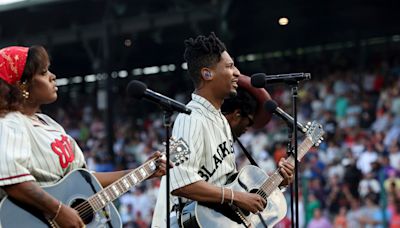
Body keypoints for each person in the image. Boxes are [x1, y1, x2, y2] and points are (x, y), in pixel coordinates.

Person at [0, 45, 167, 228]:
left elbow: (86, 180)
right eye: (43, 72)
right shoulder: (9, 123)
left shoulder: (50, 124)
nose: (52, 76)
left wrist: (142, 172)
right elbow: (12, 178)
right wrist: (59, 211)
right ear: (23, 85)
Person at [166, 32, 294, 227]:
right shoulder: (190, 118)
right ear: (207, 73)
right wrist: (236, 197)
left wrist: (277, 184)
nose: (237, 73)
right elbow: (180, 183)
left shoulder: (221, 120)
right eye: (229, 66)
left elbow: (227, 185)